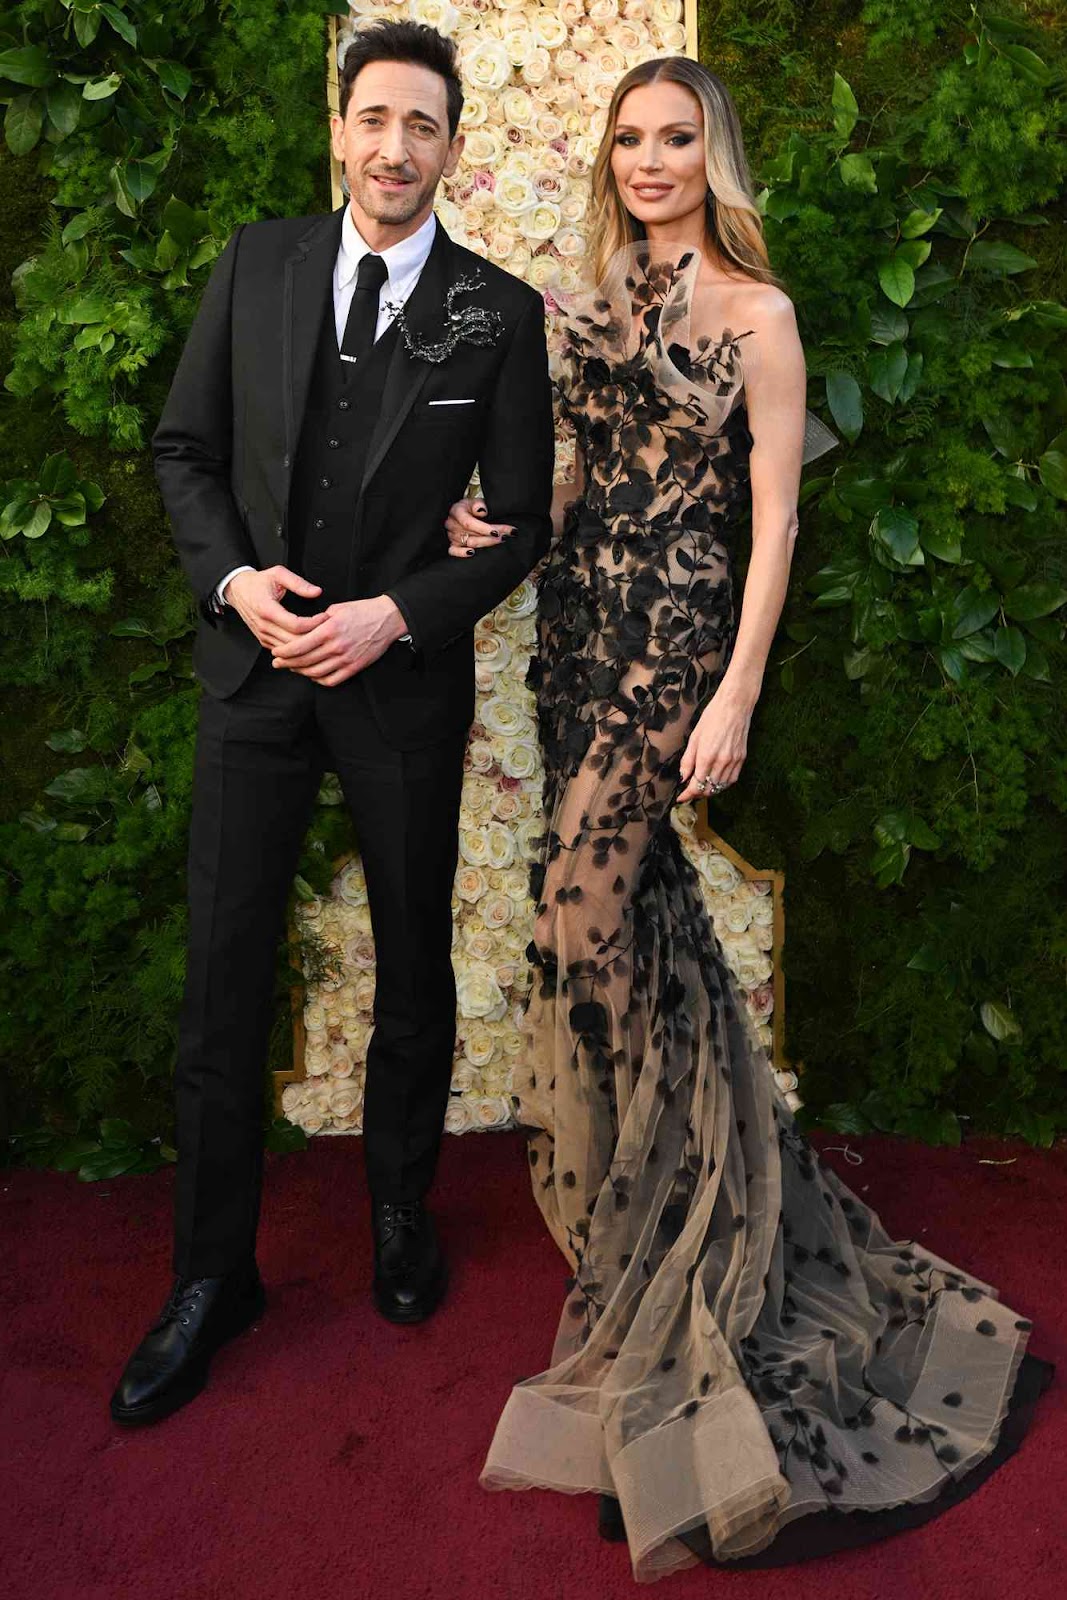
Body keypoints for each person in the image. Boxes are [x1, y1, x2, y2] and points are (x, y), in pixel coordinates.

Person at [444, 56, 1050, 1580]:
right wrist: (494, 530)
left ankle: (688, 1228)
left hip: (677, 637)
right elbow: (577, 479)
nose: (651, 162)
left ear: (715, 155)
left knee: (579, 916)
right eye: (631, 141)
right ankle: (683, 1203)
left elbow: (773, 518)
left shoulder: (759, 319)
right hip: (582, 631)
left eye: (678, 139)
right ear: (612, 158)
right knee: (636, 928)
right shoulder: (579, 304)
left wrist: (734, 694)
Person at [109, 20, 554, 1429]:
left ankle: (402, 1220)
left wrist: (401, 611)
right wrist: (238, 585)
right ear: (339, 129)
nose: (395, 147)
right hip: (254, 682)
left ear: (454, 145)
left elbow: (518, 524)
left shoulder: (497, 313)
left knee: (413, 972)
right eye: (375, 118)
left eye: (423, 125)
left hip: (402, 691)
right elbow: (183, 450)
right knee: (224, 985)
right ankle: (208, 1276)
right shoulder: (258, 263)